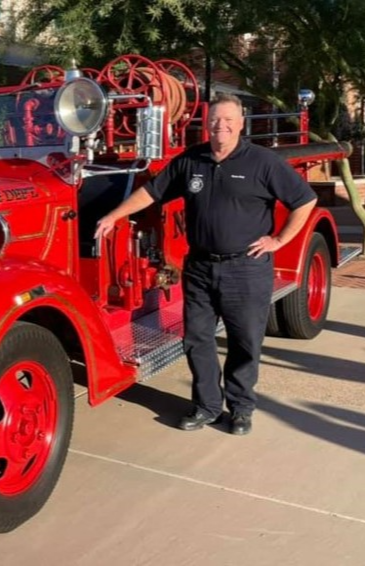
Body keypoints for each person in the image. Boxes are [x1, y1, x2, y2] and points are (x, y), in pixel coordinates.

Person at [94, 93, 317, 435]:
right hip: (199, 267)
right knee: (197, 339)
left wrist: (279, 240)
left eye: (228, 119)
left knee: (245, 343)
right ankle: (207, 407)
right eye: (214, 120)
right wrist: (113, 215)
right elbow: (153, 192)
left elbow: (305, 200)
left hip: (246, 268)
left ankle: (241, 409)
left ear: (241, 123)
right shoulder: (191, 160)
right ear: (205, 124)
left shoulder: (262, 162)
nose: (220, 126)